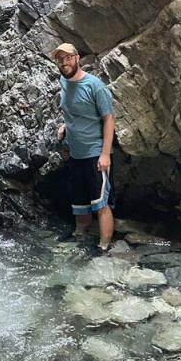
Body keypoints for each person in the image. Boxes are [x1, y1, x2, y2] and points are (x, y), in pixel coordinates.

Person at [50, 42, 115, 253]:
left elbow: (109, 119)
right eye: (61, 59)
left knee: (100, 202)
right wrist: (65, 126)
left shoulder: (95, 86)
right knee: (79, 198)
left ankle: (104, 246)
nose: (64, 62)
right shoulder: (63, 81)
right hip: (76, 152)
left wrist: (105, 154)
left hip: (95, 152)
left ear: (77, 58)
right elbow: (73, 109)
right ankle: (79, 234)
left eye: (68, 58)